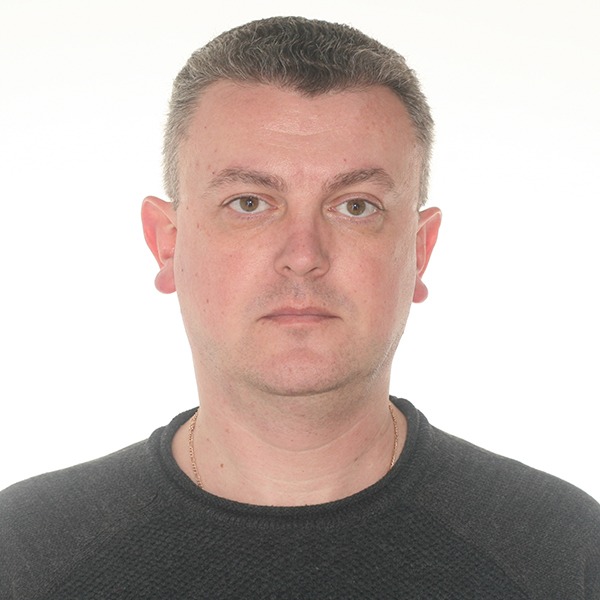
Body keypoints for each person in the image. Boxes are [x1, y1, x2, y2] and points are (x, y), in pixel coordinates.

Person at [1, 15, 598, 599]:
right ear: (168, 243)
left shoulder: (564, 555)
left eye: (356, 206)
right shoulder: (24, 555)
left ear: (419, 251)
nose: (304, 256)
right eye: (249, 202)